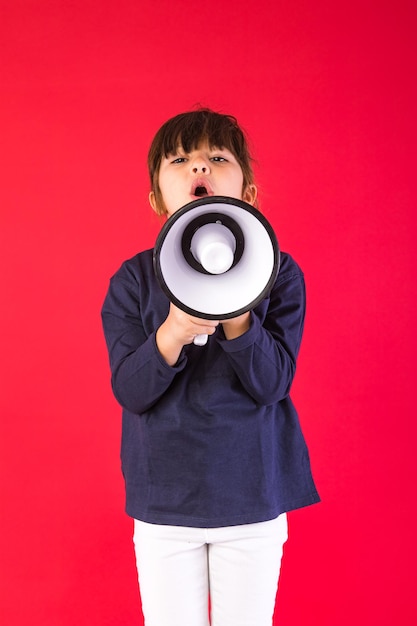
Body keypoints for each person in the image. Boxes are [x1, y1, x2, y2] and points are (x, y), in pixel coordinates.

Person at [101, 108, 320, 626]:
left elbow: (272, 385)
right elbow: (131, 391)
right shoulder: (133, 281)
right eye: (180, 160)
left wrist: (238, 314)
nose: (199, 168)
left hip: (252, 495)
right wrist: (174, 331)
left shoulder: (280, 273)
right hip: (164, 503)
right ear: (158, 196)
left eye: (217, 158)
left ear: (248, 194)